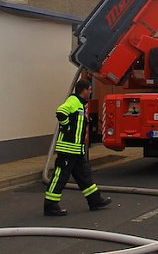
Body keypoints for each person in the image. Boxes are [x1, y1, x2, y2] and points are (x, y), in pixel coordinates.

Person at [44, 79, 112, 216]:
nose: (91, 92)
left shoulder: (80, 104)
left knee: (85, 176)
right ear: (84, 90)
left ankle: (95, 200)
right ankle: (50, 205)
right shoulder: (73, 101)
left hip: (76, 150)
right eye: (90, 89)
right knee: (60, 177)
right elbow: (60, 112)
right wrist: (67, 127)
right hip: (67, 150)